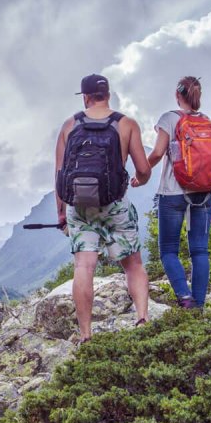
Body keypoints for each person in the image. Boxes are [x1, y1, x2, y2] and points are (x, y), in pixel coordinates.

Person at [55, 73, 152, 343]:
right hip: (115, 203)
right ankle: (142, 319)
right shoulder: (126, 124)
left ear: (85, 97)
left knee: (84, 267)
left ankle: (86, 336)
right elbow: (143, 170)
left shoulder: (69, 125)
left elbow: (60, 174)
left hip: (79, 206)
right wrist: (139, 180)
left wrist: (62, 215)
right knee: (133, 264)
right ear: (108, 94)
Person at [141, 76, 211, 308]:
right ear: (198, 96)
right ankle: (199, 305)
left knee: (168, 251)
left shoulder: (170, 118)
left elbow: (156, 153)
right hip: (205, 193)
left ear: (177, 95)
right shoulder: (208, 122)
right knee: (200, 251)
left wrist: (140, 174)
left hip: (173, 194)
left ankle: (185, 299)